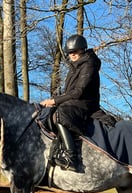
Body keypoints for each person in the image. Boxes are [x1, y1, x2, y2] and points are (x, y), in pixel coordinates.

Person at [40, 34, 101, 172]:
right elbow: (70, 92)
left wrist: (54, 101)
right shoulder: (75, 67)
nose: (72, 54)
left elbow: (79, 91)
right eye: (69, 52)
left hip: (85, 103)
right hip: (75, 101)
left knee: (61, 113)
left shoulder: (89, 65)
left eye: (75, 51)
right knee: (51, 113)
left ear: (83, 49)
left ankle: (71, 158)